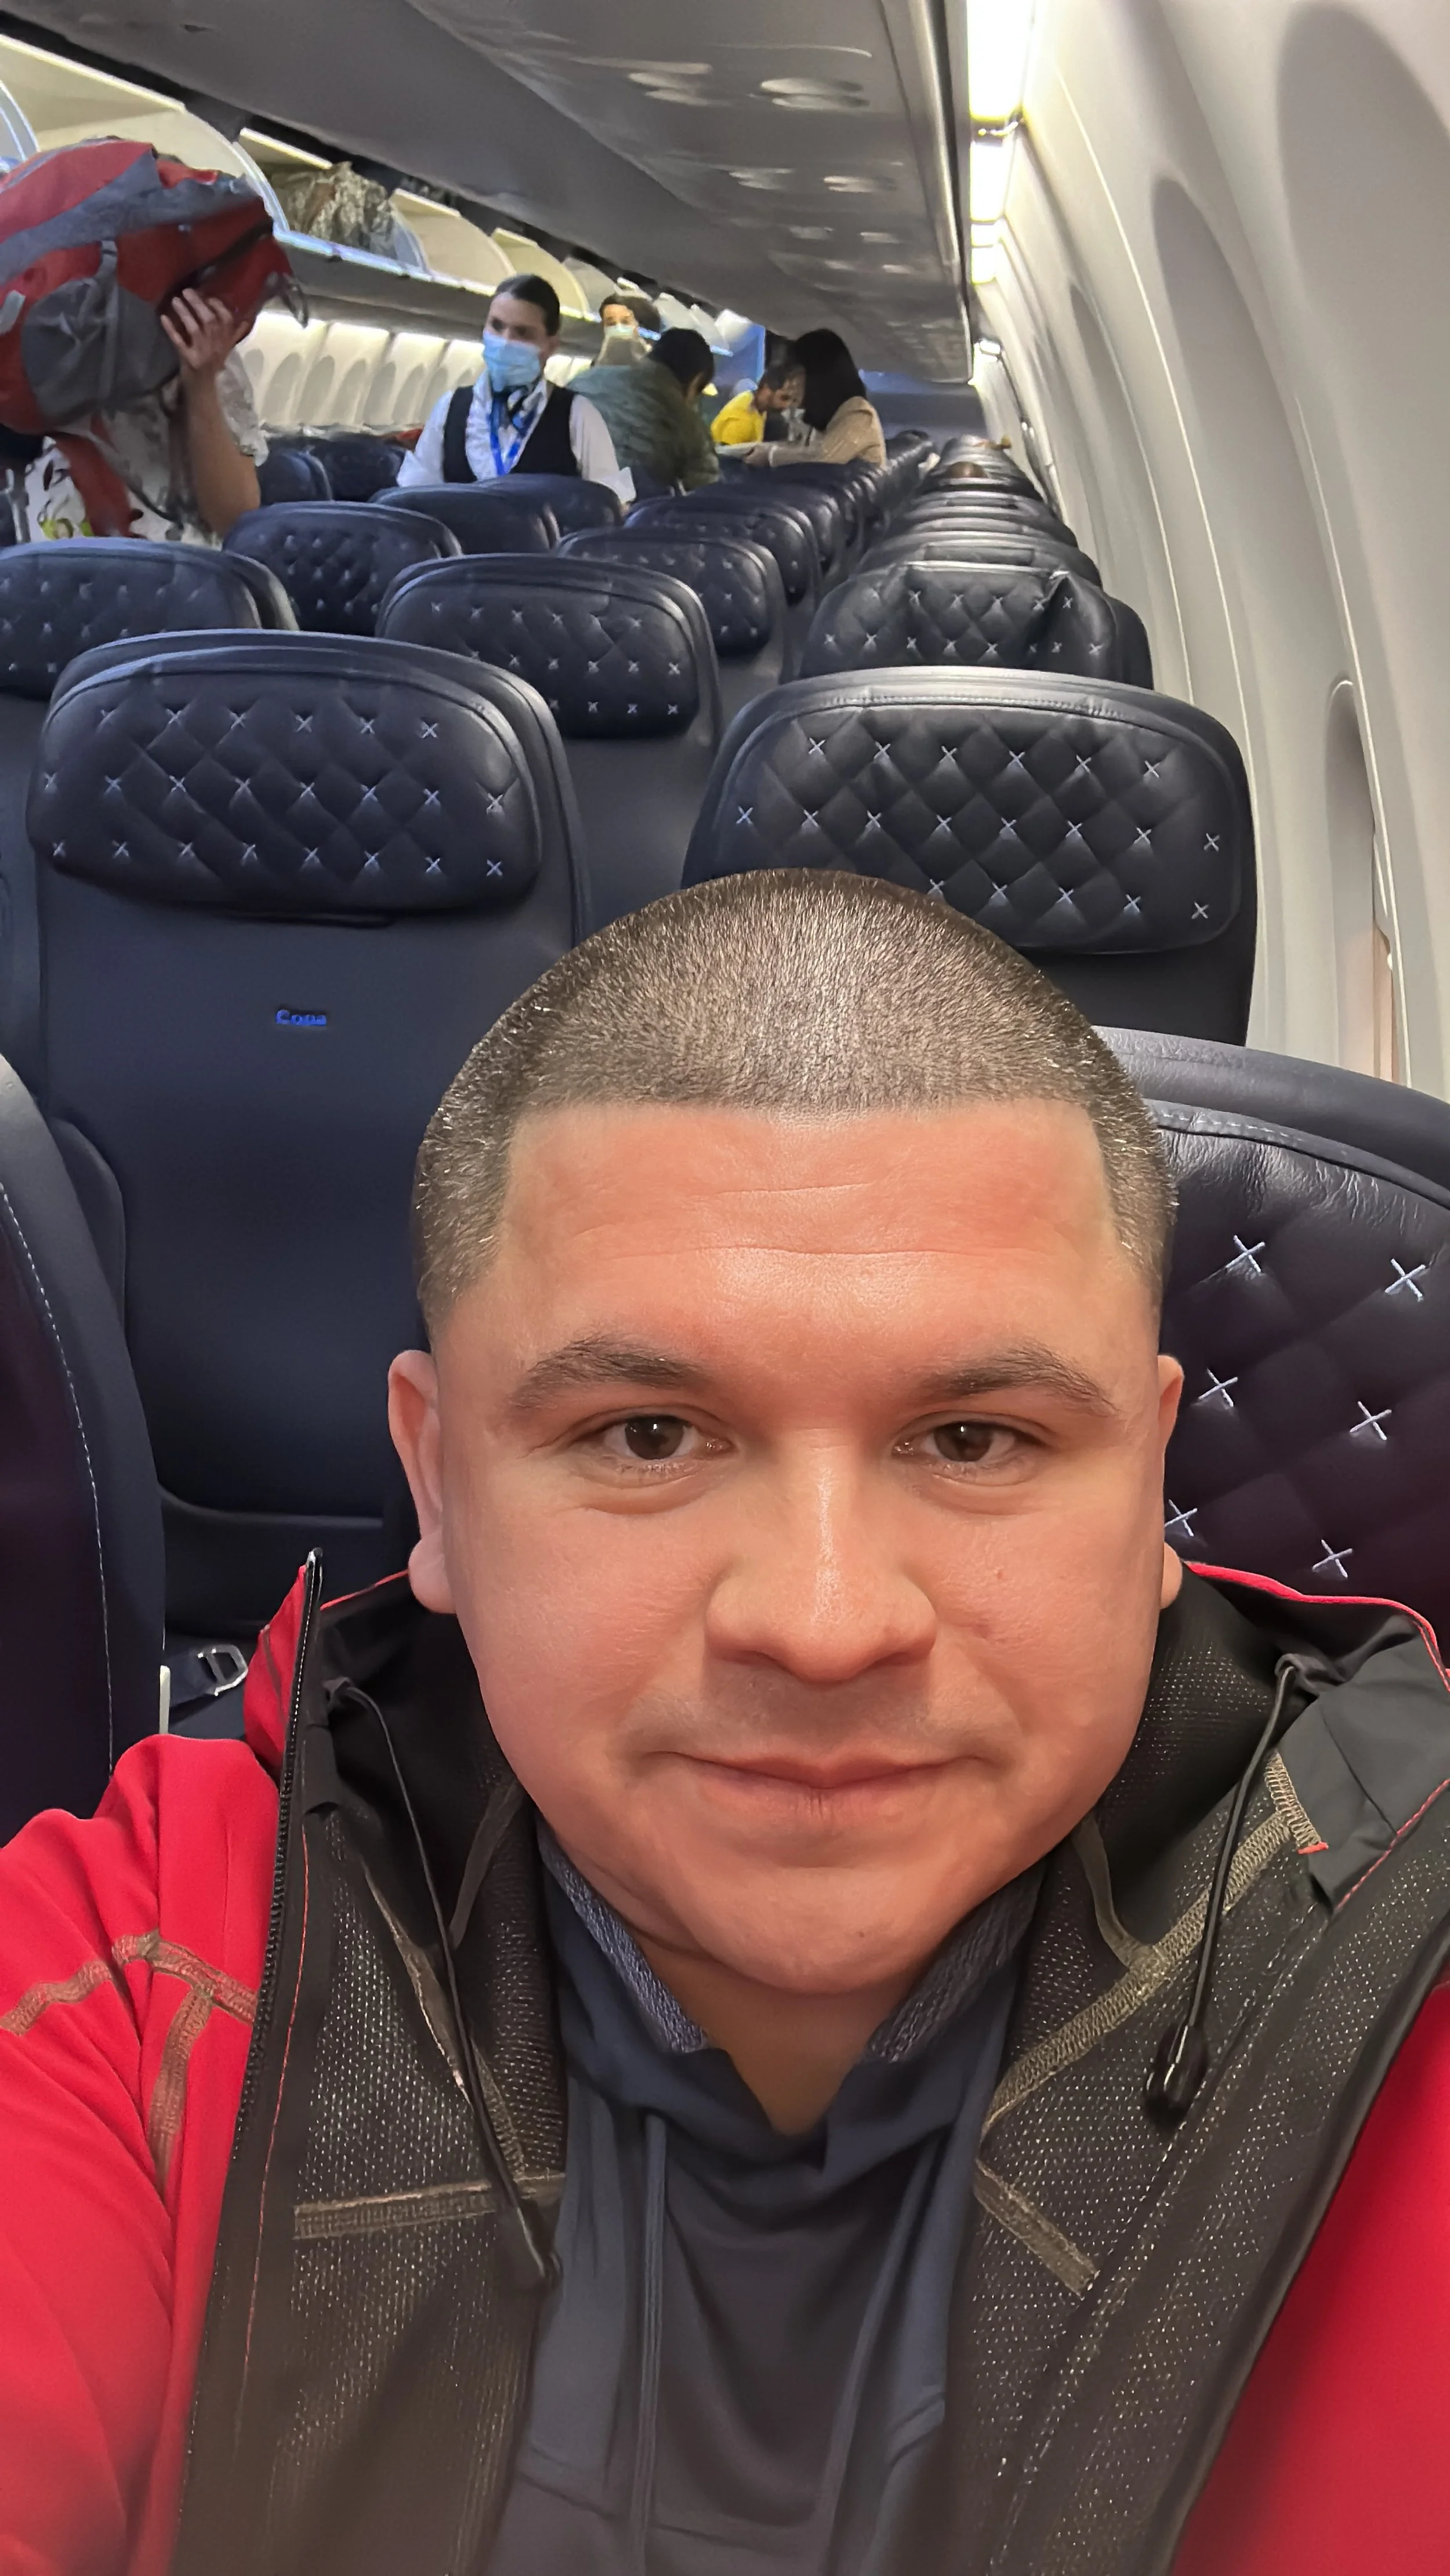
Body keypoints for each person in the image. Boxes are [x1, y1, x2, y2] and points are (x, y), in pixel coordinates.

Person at [3, 872, 1450, 2576]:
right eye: (646, 1436)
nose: (823, 1623)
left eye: (971, 1438)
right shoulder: (151, 1977)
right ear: (438, 1487)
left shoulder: (1405, 1958)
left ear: (1148, 1484)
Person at [6, 286, 266, 545]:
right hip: (50, 554)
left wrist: (201, 385)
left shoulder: (198, 341)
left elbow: (234, 518)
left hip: (167, 561)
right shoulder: (20, 343)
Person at [398, 272, 632, 499]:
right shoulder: (450, 409)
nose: (505, 342)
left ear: (550, 346)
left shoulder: (578, 416)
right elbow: (413, 496)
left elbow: (611, 504)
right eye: (497, 326)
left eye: (523, 333)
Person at [571, 325, 720, 493]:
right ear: (696, 381)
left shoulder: (585, 380)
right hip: (618, 504)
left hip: (553, 493)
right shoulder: (687, 424)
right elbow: (706, 492)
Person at [743, 326, 886, 468]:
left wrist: (771, 457)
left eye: (796, 375)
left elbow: (824, 459)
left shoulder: (859, 414)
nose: (790, 385)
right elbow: (800, 450)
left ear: (818, 376)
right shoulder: (829, 418)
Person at [711, 354, 807, 445]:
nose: (787, 405)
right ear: (766, 389)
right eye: (784, 398)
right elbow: (727, 456)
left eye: (794, 400)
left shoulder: (754, 404)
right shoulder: (741, 422)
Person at [595, 291, 662, 364]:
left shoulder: (656, 366)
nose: (619, 328)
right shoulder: (597, 367)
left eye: (625, 322)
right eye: (611, 324)